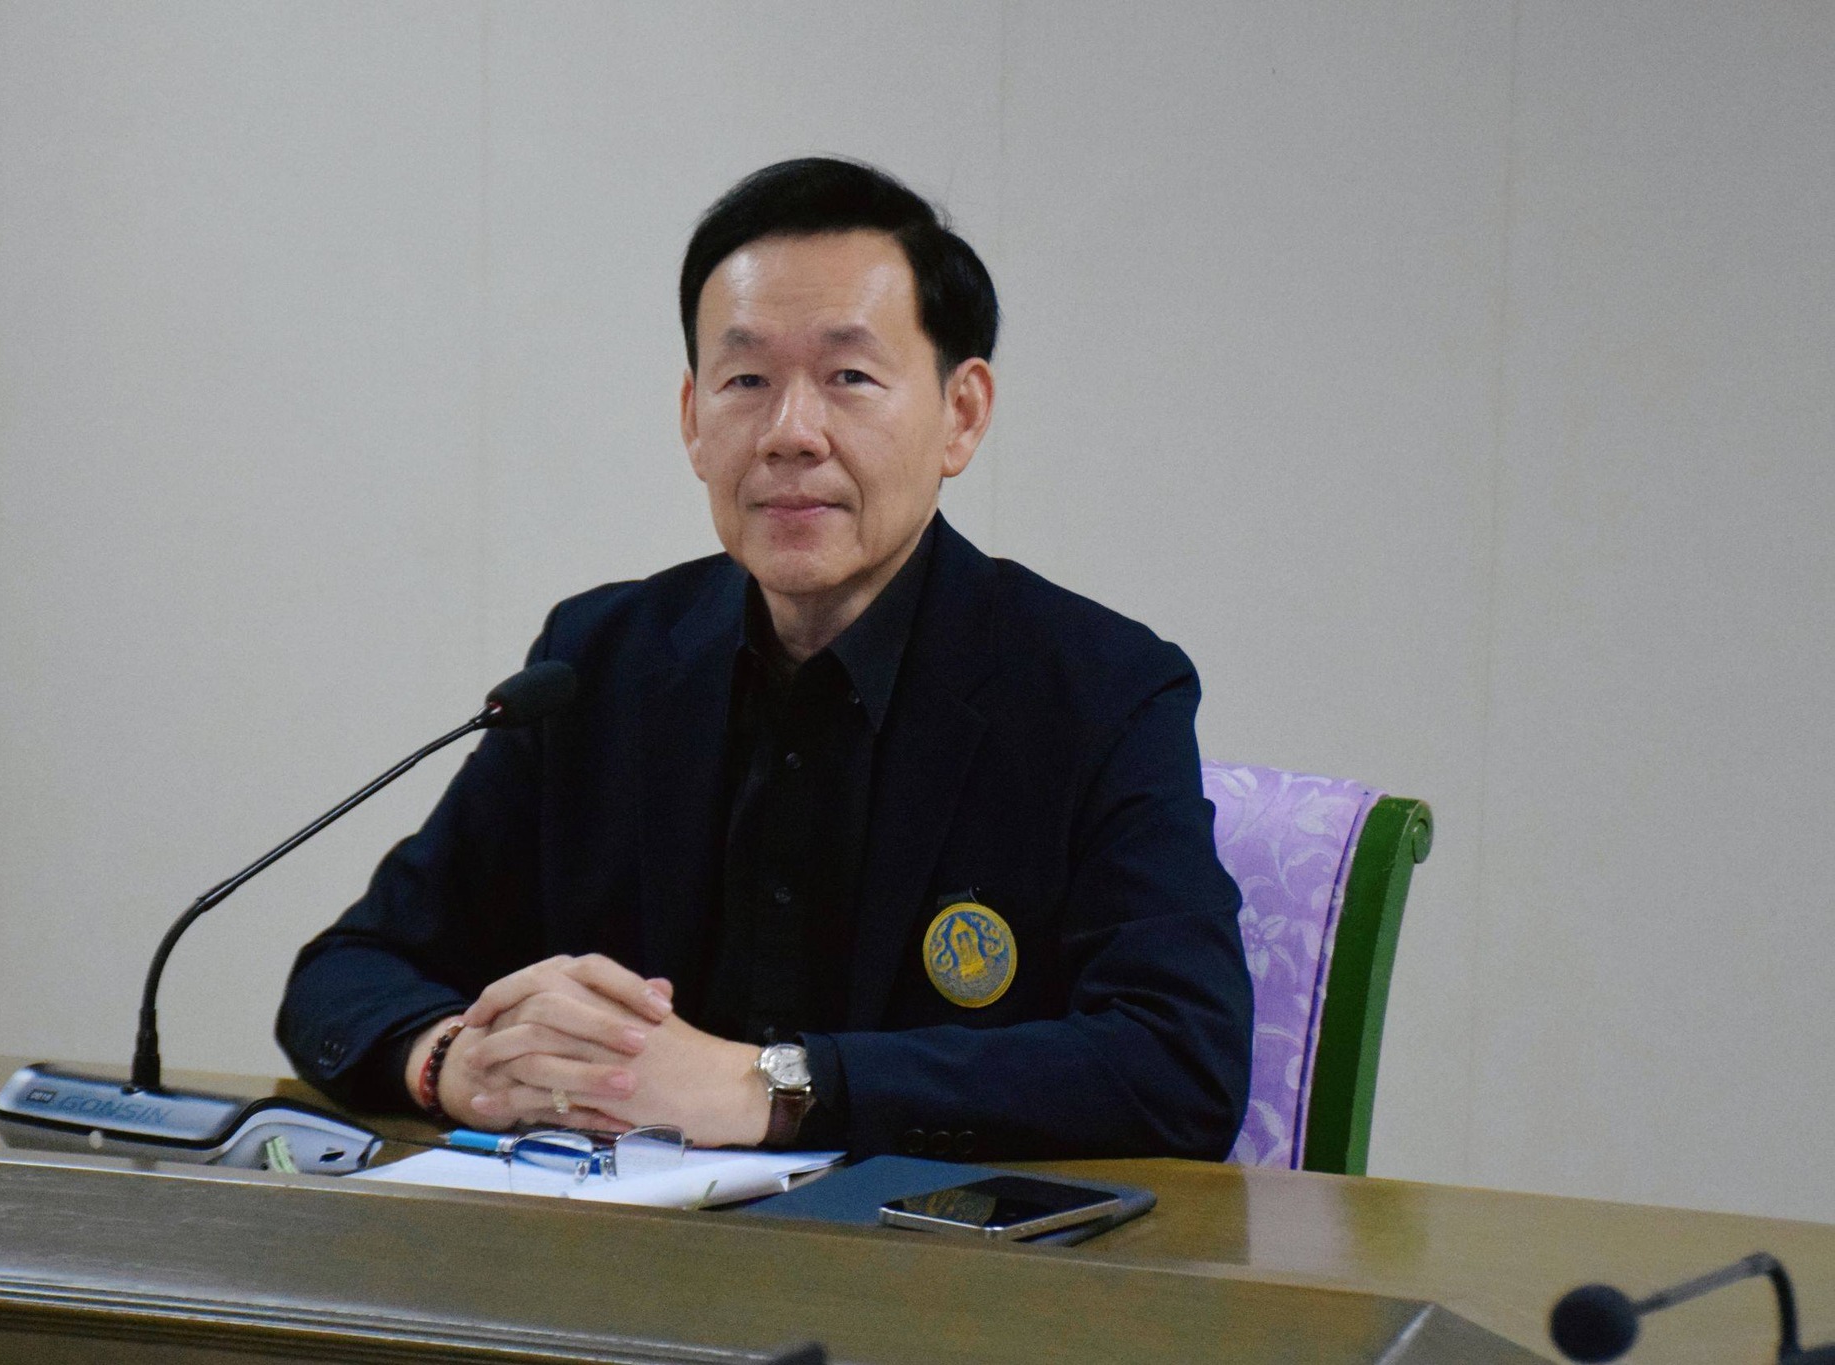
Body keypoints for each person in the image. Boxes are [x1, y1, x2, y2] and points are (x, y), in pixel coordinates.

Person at [277, 157, 1251, 1162]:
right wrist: (451, 1062)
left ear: (960, 415)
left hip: (920, 1249)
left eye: (849, 378)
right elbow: (347, 972)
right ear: (693, 419)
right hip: (614, 1244)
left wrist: (773, 1088)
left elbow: (1180, 1062)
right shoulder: (595, 665)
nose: (790, 434)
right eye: (746, 381)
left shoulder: (1096, 688)